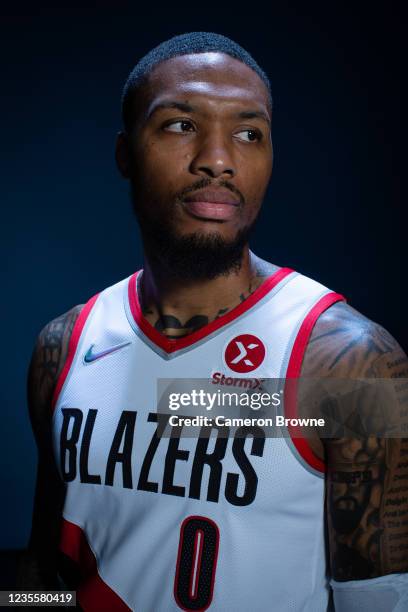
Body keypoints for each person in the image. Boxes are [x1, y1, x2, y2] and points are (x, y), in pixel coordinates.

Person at [19, 32, 408, 611]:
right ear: (125, 155)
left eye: (249, 134)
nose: (219, 160)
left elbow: (380, 601)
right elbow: (45, 575)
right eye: (180, 125)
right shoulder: (64, 346)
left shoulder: (351, 361)